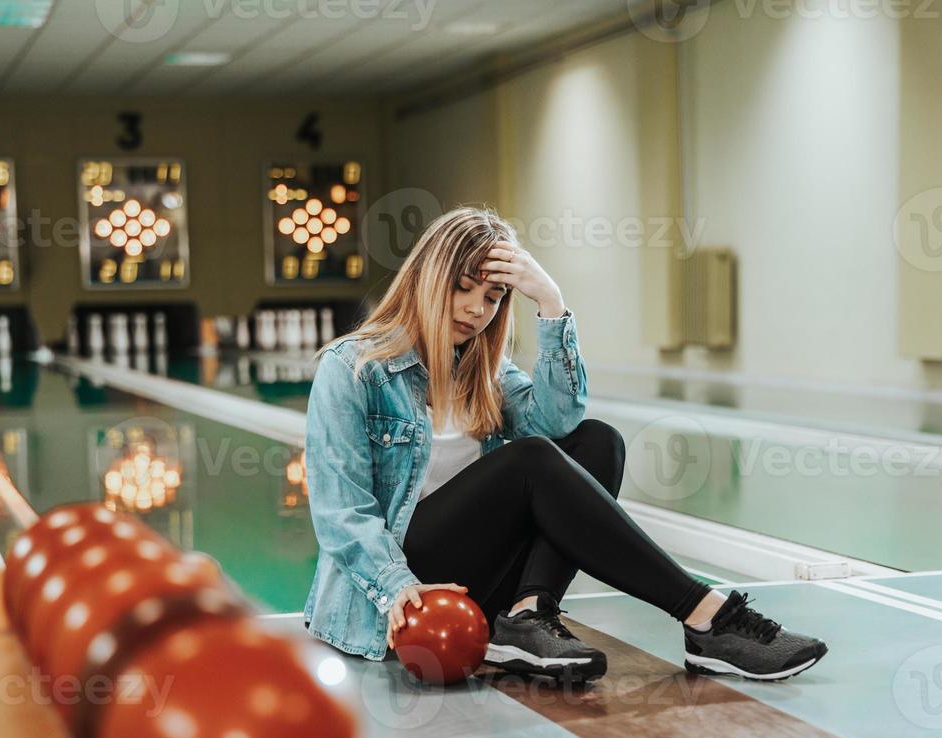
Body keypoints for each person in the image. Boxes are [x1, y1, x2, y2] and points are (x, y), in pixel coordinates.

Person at [302, 207, 827, 683]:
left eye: (493, 296)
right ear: (428, 279)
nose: (476, 309)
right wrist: (396, 586)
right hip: (402, 587)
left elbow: (557, 421)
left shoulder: (483, 370)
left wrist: (551, 302)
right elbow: (340, 514)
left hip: (478, 583)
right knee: (528, 460)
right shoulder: (354, 369)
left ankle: (528, 615)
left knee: (598, 442)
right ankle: (705, 615)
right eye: (464, 287)